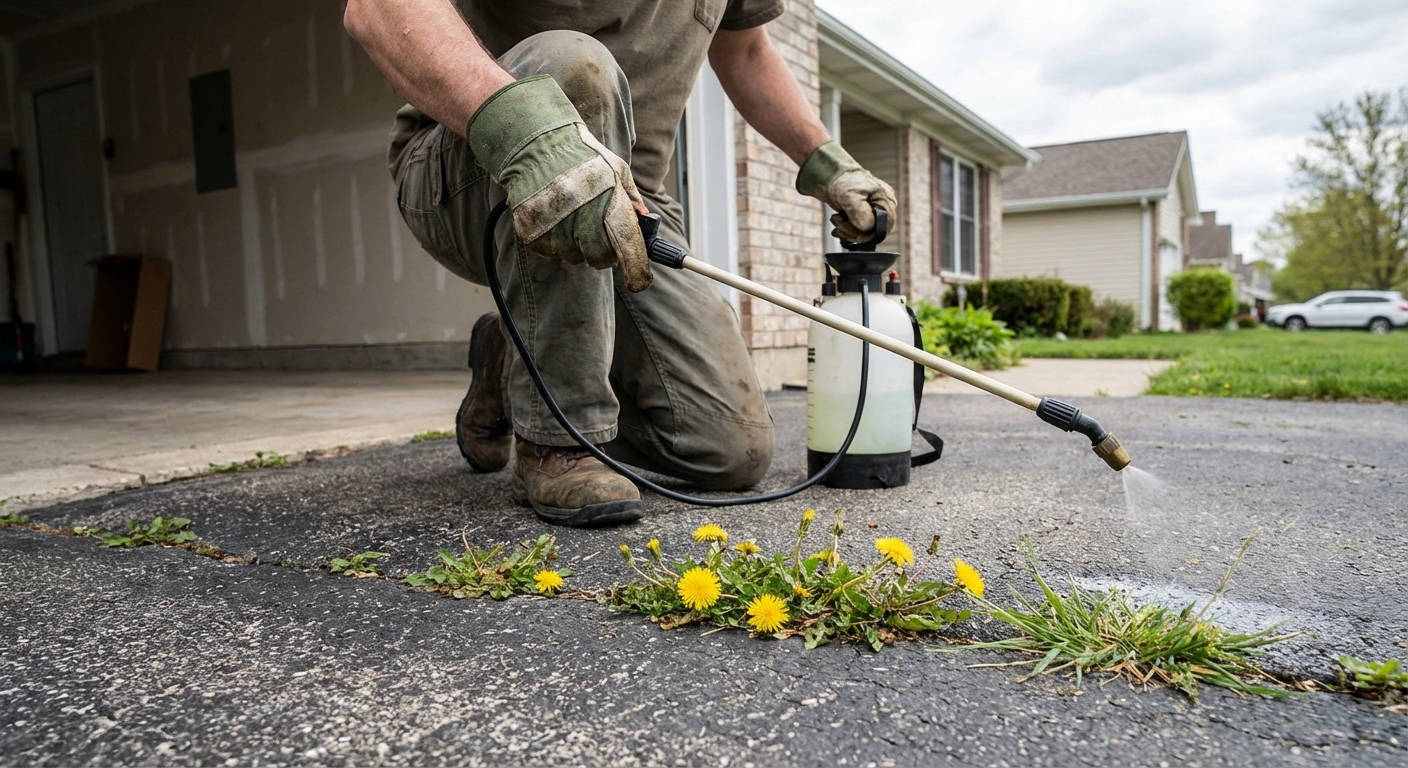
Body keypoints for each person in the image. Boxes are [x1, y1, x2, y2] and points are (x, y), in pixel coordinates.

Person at [345, 0, 897, 527]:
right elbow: (377, 10)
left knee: (729, 448)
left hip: (634, 194)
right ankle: (557, 439)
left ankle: (516, 353)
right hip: (476, 158)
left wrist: (828, 163)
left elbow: (748, 52)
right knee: (575, 67)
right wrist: (529, 136)